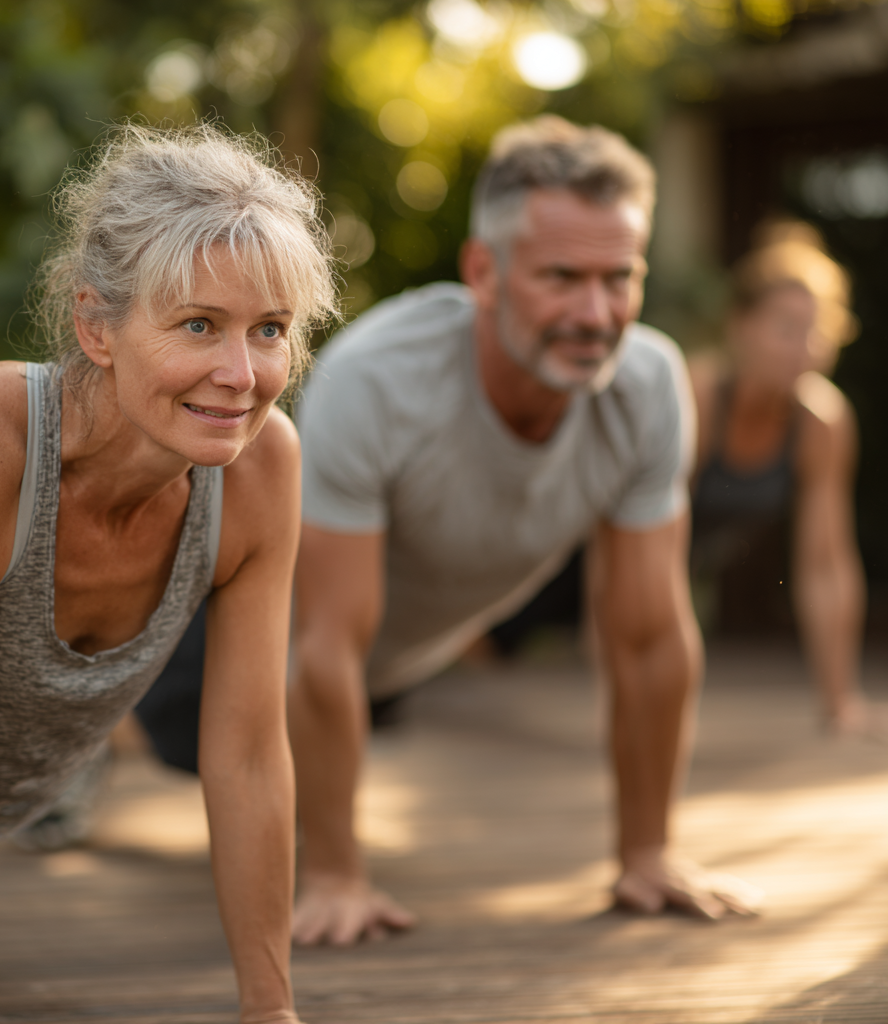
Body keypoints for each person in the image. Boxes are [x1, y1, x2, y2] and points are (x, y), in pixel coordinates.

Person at [0, 123, 337, 1023]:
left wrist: (270, 1010)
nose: (241, 374)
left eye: (268, 330)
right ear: (96, 326)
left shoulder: (261, 467)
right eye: (199, 324)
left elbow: (243, 758)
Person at [288, 115, 761, 947]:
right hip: (247, 648)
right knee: (155, 732)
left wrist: (646, 853)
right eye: (562, 278)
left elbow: (648, 635)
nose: (595, 312)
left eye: (620, 278)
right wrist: (334, 874)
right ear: (484, 270)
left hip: (398, 663)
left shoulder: (646, 386)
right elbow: (319, 645)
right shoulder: (373, 380)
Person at [690, 222, 874, 736]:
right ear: (741, 326)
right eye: (788, 328)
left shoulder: (823, 421)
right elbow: (630, 539)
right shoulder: (699, 398)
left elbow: (826, 565)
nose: (805, 347)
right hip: (573, 564)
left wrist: (839, 703)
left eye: (819, 330)